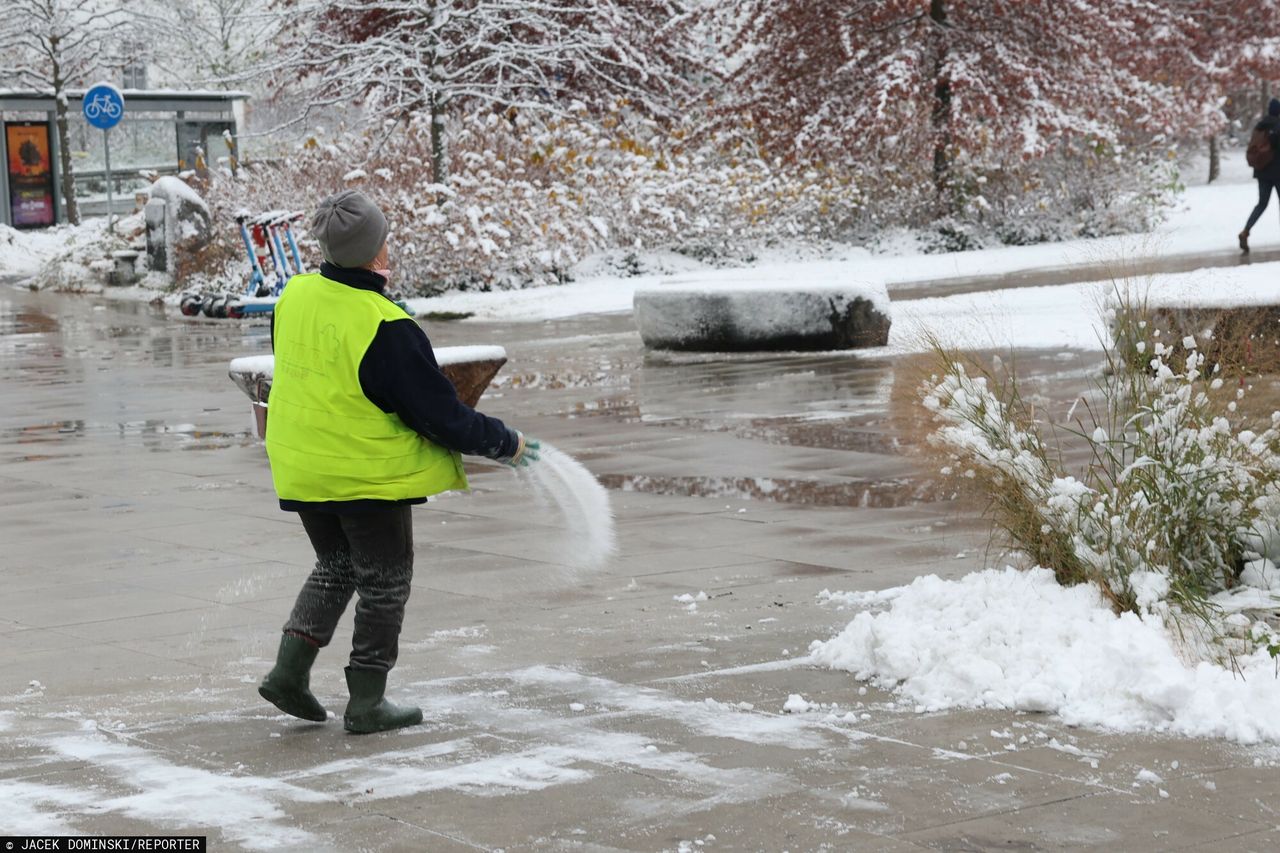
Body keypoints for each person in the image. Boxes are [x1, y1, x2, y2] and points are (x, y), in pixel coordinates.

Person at [257, 189, 540, 734]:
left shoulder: (294, 296)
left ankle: (288, 674)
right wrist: (506, 443)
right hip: (365, 474)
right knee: (384, 583)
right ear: (374, 252)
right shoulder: (384, 325)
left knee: (336, 566)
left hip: (304, 465)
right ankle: (366, 701)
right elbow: (438, 414)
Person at [1239, 98, 1280, 253]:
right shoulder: (1278, 126)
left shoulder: (1259, 126)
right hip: (1277, 172)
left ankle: (1245, 231)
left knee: (1262, 204)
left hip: (1262, 172)